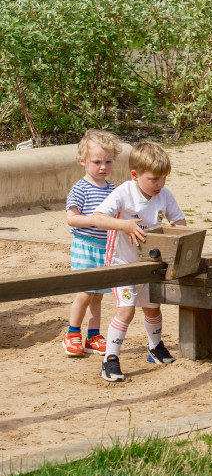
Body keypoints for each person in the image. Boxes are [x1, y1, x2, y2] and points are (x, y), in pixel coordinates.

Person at [92, 140, 187, 382]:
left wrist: (177, 227)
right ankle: (110, 359)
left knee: (152, 306)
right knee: (126, 310)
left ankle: (155, 348)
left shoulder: (164, 194)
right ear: (135, 175)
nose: (160, 185)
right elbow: (98, 217)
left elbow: (180, 221)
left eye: (163, 179)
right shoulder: (124, 192)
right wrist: (123, 224)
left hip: (150, 265)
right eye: (154, 179)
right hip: (122, 263)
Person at [64, 130, 123, 357]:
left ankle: (93, 335)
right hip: (85, 246)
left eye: (108, 162)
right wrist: (95, 221)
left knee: (97, 295)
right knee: (85, 293)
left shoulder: (112, 189)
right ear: (83, 161)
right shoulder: (81, 188)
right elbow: (71, 217)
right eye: (97, 162)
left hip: (105, 250)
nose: (103, 167)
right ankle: (72, 333)